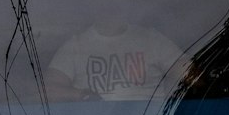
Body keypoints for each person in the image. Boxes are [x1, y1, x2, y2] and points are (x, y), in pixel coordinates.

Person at [45, 19, 193, 102]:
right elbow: (47, 90)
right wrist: (83, 95)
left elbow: (191, 76)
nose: (111, 2)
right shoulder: (76, 45)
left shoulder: (151, 39)